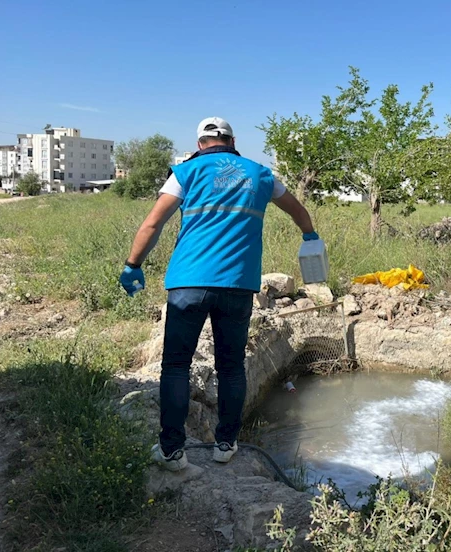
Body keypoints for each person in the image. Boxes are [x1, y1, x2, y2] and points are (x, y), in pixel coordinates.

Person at [119, 117, 320, 471]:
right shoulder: (260, 174)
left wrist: (133, 263)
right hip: (238, 286)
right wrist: (309, 237)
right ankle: (226, 444)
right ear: (232, 140)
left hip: (188, 285)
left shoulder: (186, 172)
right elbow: (298, 210)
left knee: (176, 366)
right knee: (231, 367)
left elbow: (153, 222)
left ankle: (171, 451)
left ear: (200, 144)